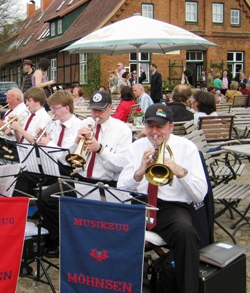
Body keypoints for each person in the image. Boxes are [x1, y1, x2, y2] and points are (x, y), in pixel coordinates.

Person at [117, 103, 208, 293]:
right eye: (150, 126)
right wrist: (139, 172)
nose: (155, 132)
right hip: (139, 203)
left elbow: (200, 194)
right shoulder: (136, 148)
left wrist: (180, 171)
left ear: (171, 126)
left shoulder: (186, 148)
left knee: (185, 233)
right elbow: (121, 188)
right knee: (103, 225)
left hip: (171, 207)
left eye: (160, 126)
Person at [37, 91, 132, 256]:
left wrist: (100, 149)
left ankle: (90, 247)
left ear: (111, 107)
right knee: (45, 198)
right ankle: (63, 239)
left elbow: (120, 166)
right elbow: (69, 159)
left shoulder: (122, 130)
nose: (96, 114)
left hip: (106, 184)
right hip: (80, 179)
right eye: (93, 110)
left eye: (100, 110)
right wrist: (75, 143)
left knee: (94, 217)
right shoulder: (85, 123)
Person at [0, 88, 29, 160]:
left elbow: (8, 132)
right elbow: (1, 126)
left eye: (9, 98)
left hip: (9, 145)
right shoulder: (11, 109)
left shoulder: (22, 111)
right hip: (1, 142)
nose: (6, 101)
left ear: (17, 99)